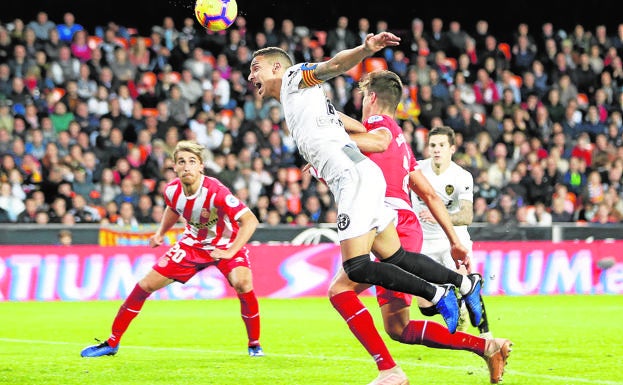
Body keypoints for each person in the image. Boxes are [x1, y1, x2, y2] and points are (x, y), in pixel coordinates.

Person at [249, 32, 484, 384]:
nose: (250, 76)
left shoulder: (296, 77)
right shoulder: (301, 102)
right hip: (363, 176)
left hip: (352, 179)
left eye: (256, 68)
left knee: (357, 267)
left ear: (277, 67)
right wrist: (336, 127)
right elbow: (357, 125)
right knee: (397, 258)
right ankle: (463, 285)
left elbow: (333, 66)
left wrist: (364, 50)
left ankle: (435, 295)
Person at [333, 70, 511, 384]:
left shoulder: (377, 127)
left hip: (384, 223)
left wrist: (325, 127)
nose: (361, 106)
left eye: (363, 98)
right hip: (405, 225)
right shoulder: (402, 143)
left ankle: (389, 370)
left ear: (372, 99)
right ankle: (488, 346)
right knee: (398, 328)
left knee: (341, 290)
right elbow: (428, 193)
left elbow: (360, 142)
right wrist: (455, 240)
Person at [81, 141, 265, 358]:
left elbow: (250, 220)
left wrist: (231, 251)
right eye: (181, 162)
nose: (186, 166)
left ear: (201, 167)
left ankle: (254, 344)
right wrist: (160, 233)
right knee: (145, 285)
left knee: (243, 284)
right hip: (192, 245)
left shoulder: (216, 191)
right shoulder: (171, 191)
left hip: (226, 243)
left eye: (192, 162)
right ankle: (112, 343)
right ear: (174, 167)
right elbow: (174, 208)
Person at [413, 125, 494, 338]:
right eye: (432, 145)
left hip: (453, 240)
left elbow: (467, 216)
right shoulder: (416, 170)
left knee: (468, 284)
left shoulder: (462, 176)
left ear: (452, 149)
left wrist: (440, 217)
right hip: (424, 243)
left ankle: (486, 334)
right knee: (424, 306)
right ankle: (456, 302)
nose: (436, 149)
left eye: (441, 145)